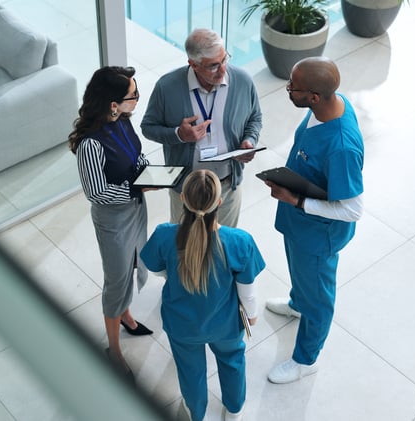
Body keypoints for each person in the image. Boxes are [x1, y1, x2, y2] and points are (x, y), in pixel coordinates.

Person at [263, 57, 364, 384]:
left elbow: (352, 209)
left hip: (318, 235)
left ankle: (306, 360)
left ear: (315, 97)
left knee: (318, 300)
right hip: (298, 221)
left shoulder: (342, 146)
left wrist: (298, 201)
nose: (288, 89)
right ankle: (296, 304)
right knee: (298, 273)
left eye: (294, 87)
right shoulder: (326, 105)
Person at [140, 169, 265, 421]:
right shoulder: (240, 241)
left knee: (190, 370)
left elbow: (154, 268)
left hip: (182, 325)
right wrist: (250, 317)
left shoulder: (164, 235)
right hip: (226, 324)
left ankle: (196, 412)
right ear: (219, 202)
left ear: (183, 198)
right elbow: (247, 290)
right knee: (232, 361)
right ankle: (234, 409)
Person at [68, 66, 154, 379]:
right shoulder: (90, 144)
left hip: (135, 208)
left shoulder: (123, 122)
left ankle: (127, 317)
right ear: (113, 103)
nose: (137, 100)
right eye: (133, 95)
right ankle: (114, 349)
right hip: (114, 218)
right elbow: (97, 192)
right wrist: (136, 187)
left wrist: (150, 174)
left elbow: (137, 157)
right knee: (116, 279)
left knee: (132, 263)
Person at [141, 28, 262, 228]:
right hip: (185, 188)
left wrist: (249, 140)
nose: (223, 70)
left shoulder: (242, 81)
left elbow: (255, 117)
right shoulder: (167, 87)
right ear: (193, 64)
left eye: (225, 59)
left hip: (227, 186)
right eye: (213, 66)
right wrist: (178, 134)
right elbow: (148, 127)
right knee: (184, 246)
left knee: (223, 246)